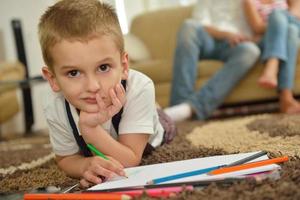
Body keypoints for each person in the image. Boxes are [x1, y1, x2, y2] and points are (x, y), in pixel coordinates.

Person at [39, 0, 176, 188]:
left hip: (153, 130)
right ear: (52, 79)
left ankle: (156, 111)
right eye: (73, 73)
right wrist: (84, 165)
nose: (93, 86)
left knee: (167, 124)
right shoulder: (53, 104)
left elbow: (130, 159)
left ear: (124, 66)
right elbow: (65, 159)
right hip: (119, 127)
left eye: (103, 67)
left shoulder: (139, 87)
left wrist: (90, 129)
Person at [164, 0, 260, 122]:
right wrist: (227, 34)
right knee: (188, 25)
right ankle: (178, 104)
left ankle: (189, 109)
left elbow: (257, 25)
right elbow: (201, 23)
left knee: (251, 51)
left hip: (236, 44)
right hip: (207, 40)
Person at [244, 0, 300, 113]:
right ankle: (286, 98)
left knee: (289, 27)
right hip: (266, 41)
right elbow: (258, 27)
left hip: (290, 29)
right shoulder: (249, 1)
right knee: (287, 26)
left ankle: (272, 65)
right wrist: (277, 23)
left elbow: (296, 14)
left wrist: (278, 19)